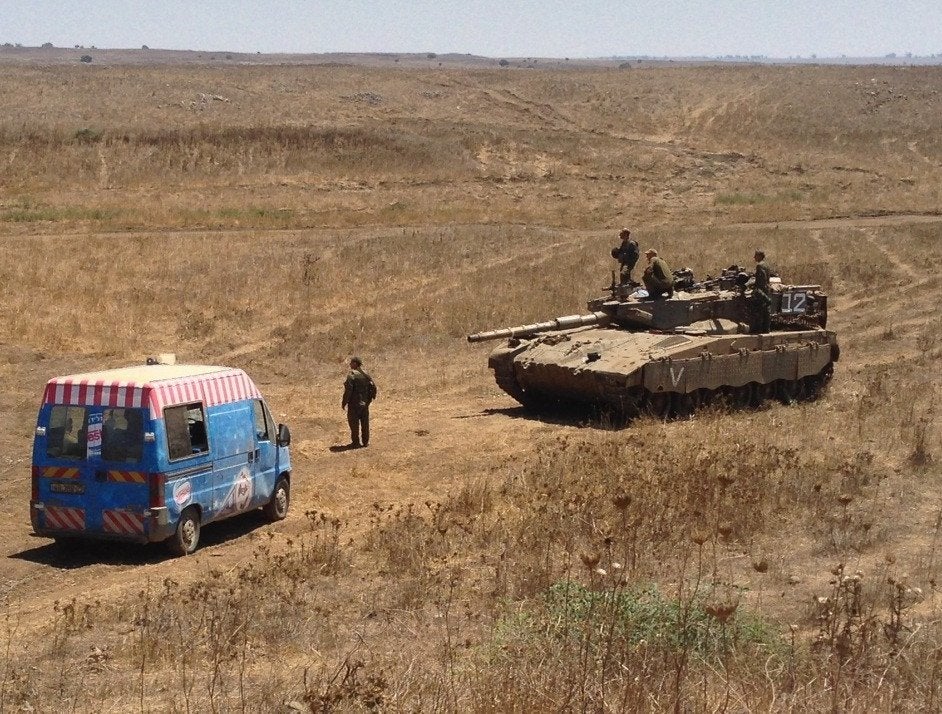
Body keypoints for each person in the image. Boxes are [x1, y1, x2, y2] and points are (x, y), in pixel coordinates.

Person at [341, 356, 377, 448]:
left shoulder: (352, 375)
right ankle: (365, 442)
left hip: (354, 404)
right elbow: (373, 387)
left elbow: (348, 391)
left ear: (355, 363)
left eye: (351, 363)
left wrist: (344, 402)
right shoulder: (366, 374)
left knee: (354, 424)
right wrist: (369, 400)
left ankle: (356, 443)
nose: (350, 364)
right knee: (365, 424)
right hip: (364, 404)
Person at [750, 250, 774, 333]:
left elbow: (760, 280)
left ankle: (758, 330)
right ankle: (766, 329)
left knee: (759, 311)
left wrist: (756, 290)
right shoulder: (766, 265)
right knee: (766, 310)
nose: (754, 257)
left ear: (760, 256)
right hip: (766, 289)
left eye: (756, 255)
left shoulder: (759, 266)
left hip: (761, 290)